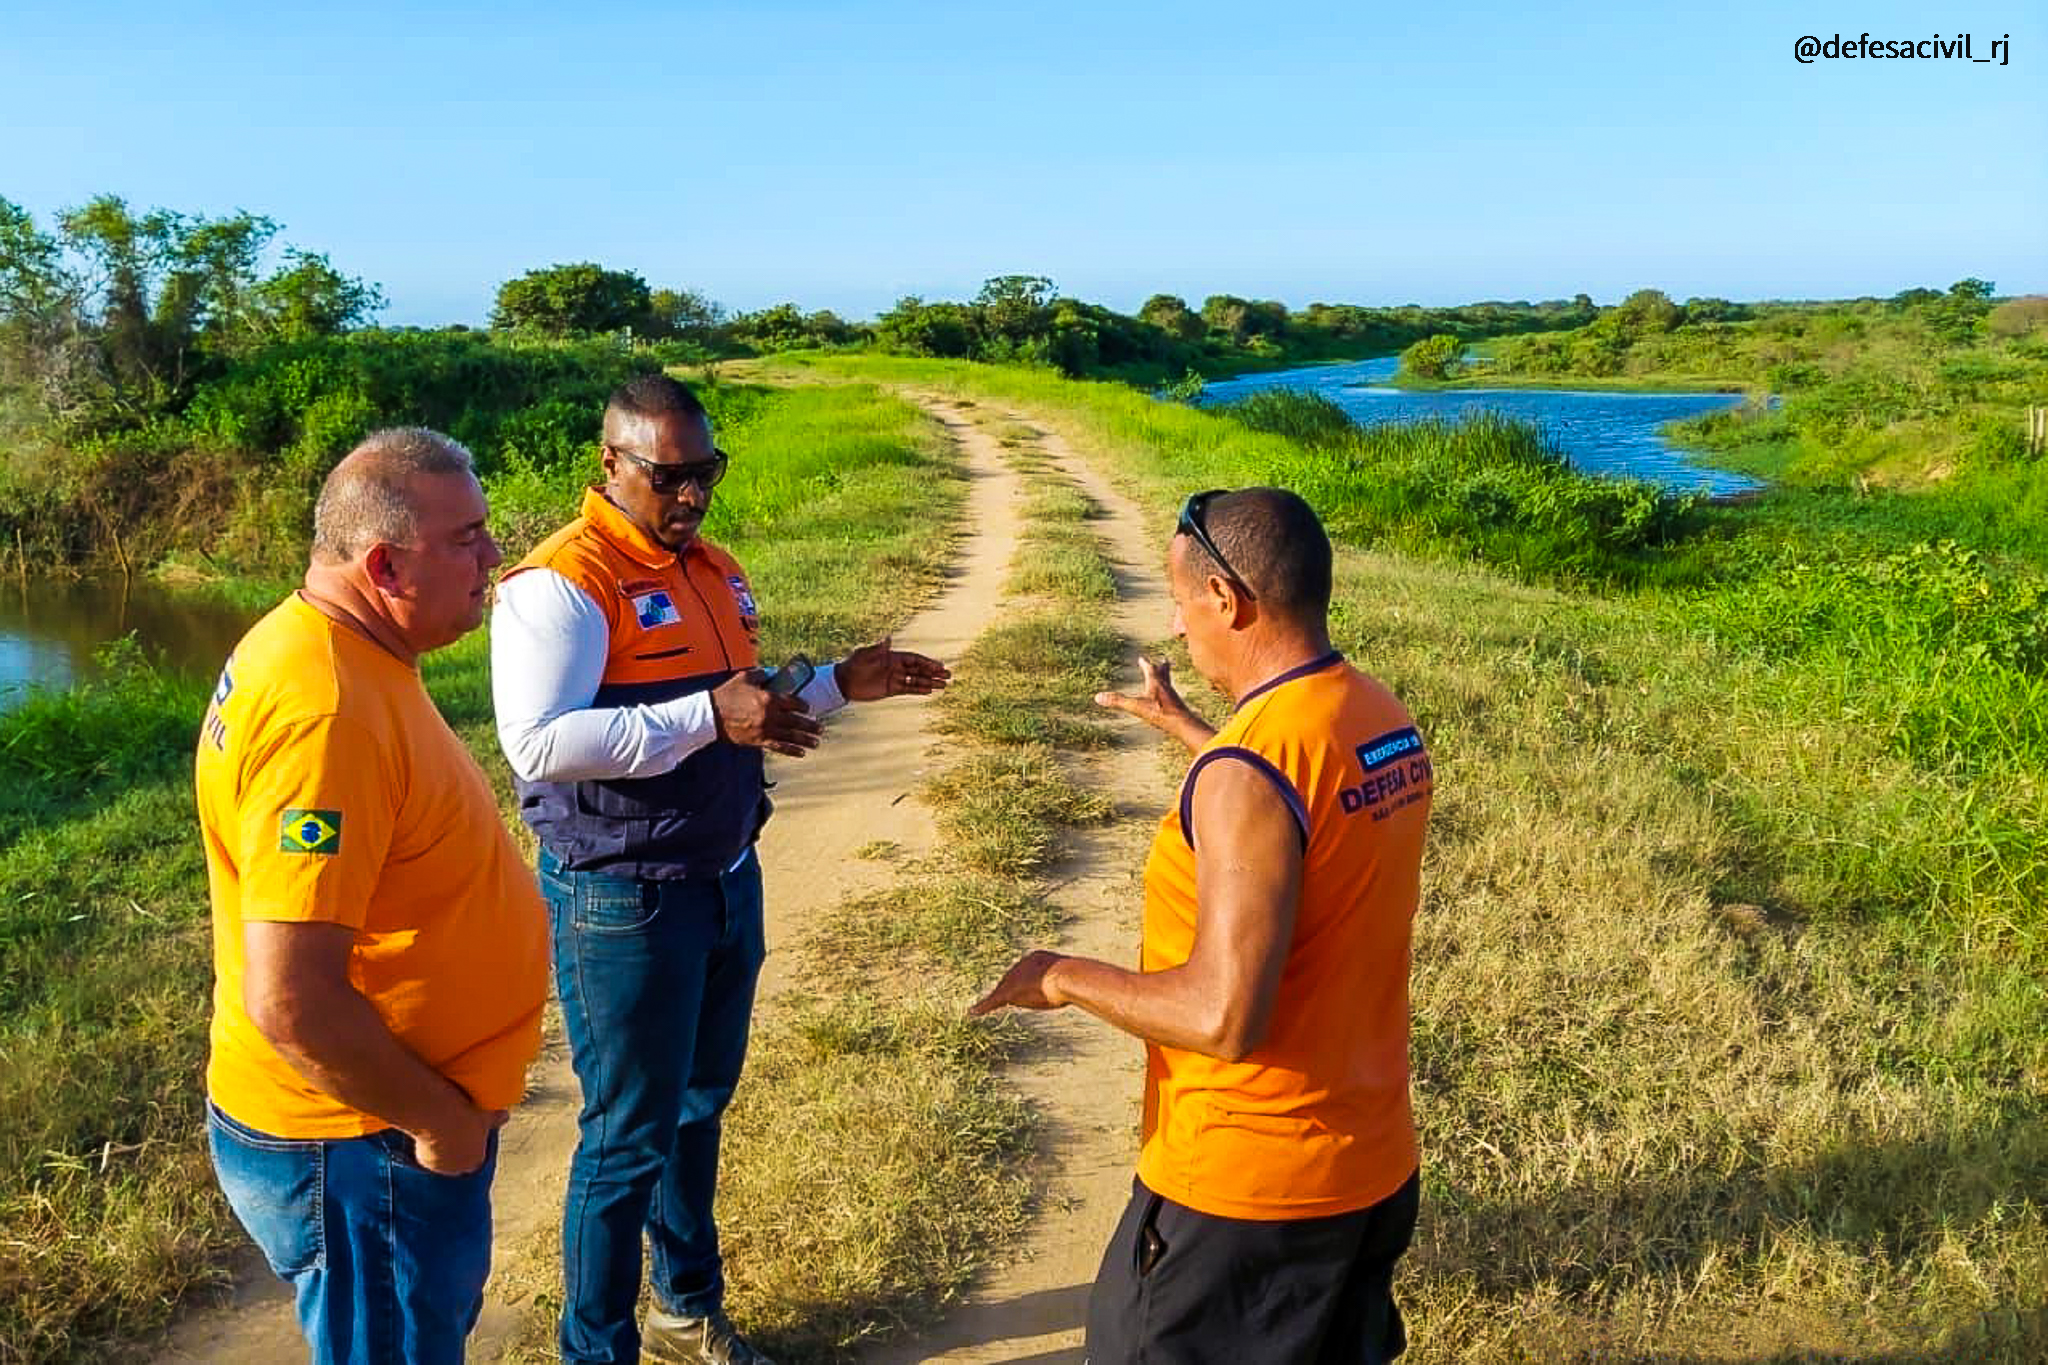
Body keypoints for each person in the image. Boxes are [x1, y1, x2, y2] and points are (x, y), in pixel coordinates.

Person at [490, 373, 948, 1365]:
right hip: (625, 895)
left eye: (707, 472)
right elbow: (538, 744)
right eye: (669, 477)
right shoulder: (560, 584)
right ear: (610, 464)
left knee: (696, 1109)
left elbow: (742, 709)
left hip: (725, 874)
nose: (692, 494)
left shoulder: (711, 568)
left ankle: (684, 1309)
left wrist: (837, 684)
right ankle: (594, 1350)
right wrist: (708, 714)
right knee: (625, 1138)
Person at [973, 487, 1433, 1364]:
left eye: (1181, 601)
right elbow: (1302, 813)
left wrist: (1062, 975)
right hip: (1371, 1168)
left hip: (1244, 1197)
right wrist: (1198, 735)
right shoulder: (1379, 719)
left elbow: (1224, 1017)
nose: (1178, 625)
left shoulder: (1250, 770)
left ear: (1227, 598)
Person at [196, 427, 550, 1364]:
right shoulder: (327, 713)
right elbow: (292, 997)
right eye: (467, 538)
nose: (493, 555)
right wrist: (439, 1124)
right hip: (362, 1142)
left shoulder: (336, 648)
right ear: (385, 564)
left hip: (374, 1134)